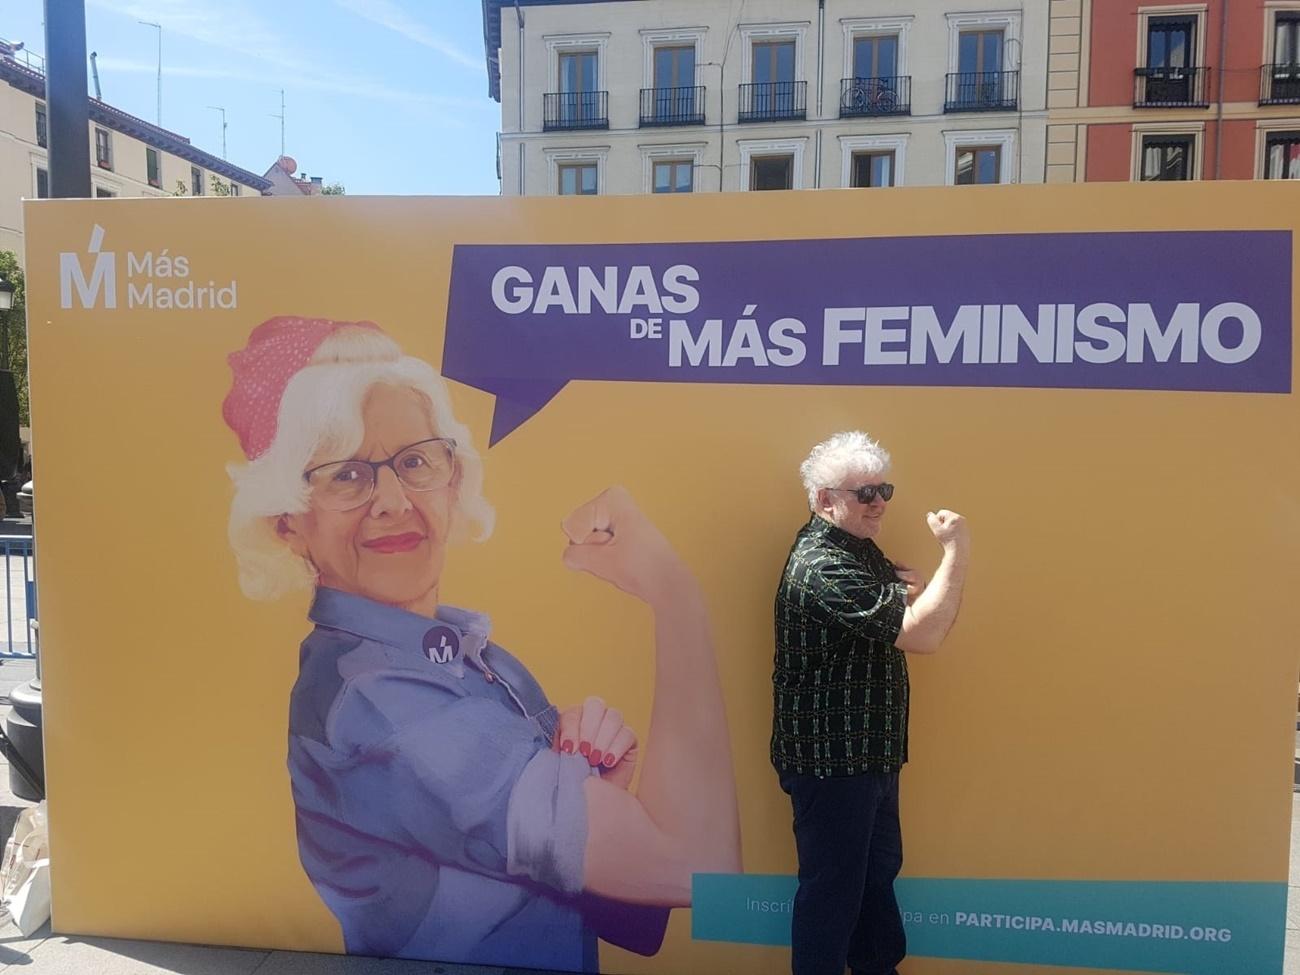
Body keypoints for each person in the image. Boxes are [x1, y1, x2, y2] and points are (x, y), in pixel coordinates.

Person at [222, 316, 741, 971]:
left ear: (452, 479)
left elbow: (625, 905)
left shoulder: (469, 659)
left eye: (414, 461)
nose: (391, 499)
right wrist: (676, 596)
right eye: (347, 474)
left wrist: (595, 788)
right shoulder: (382, 704)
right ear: (288, 520)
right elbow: (696, 867)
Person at [771, 430, 970, 975]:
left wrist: (908, 592)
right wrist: (955, 551)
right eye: (864, 494)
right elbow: (923, 635)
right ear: (825, 500)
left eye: (884, 489)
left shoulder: (854, 547)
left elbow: (903, 610)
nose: (878, 502)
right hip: (832, 761)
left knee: (874, 882)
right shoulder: (822, 565)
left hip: (869, 756)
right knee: (833, 894)